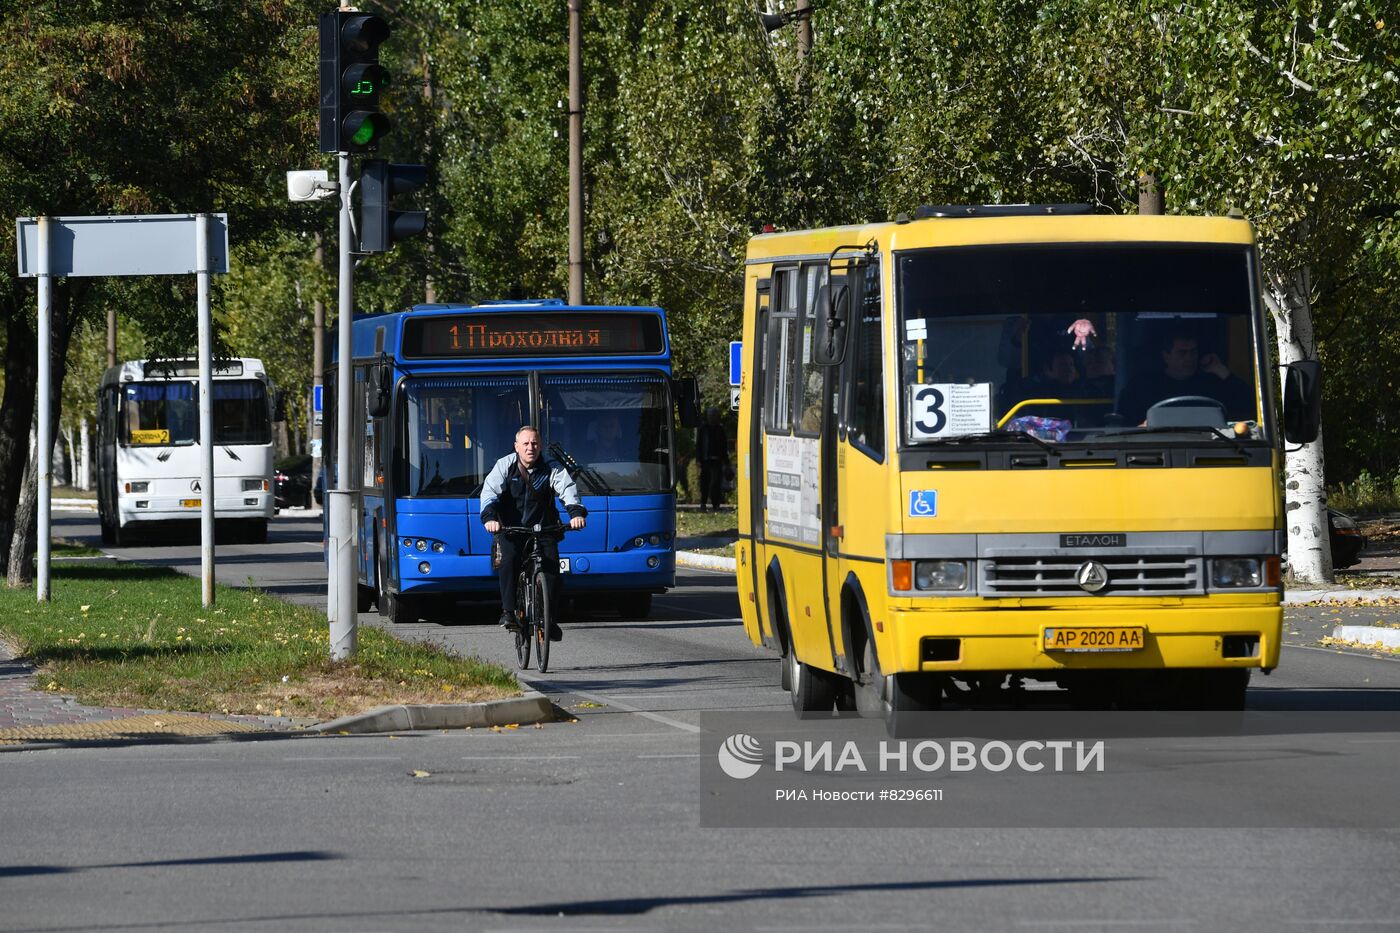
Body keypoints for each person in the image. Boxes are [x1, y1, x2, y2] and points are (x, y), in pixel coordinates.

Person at [480, 426, 587, 641]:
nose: (531, 448)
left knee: (552, 572)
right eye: (526, 444)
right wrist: (490, 518)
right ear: (517, 446)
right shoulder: (505, 465)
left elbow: (567, 489)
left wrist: (575, 513)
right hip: (511, 529)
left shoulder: (551, 467)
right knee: (508, 560)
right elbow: (490, 492)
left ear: (540, 446)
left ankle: (548, 620)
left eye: (535, 443)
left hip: (543, 529)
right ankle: (509, 612)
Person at [1117, 332, 1252, 425]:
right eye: (1182, 352)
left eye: (1193, 351)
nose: (1189, 358)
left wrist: (1221, 370)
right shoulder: (1142, 386)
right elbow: (1124, 424)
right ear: (1166, 356)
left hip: (1208, 447)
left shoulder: (1210, 382)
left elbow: (1249, 404)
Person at [695, 407, 728, 512]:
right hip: (705, 460)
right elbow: (699, 445)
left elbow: (724, 446)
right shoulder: (703, 429)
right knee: (705, 483)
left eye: (714, 415)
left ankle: (715, 505)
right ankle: (703, 503)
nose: (712, 418)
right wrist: (698, 459)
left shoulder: (720, 429)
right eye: (710, 416)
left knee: (716, 484)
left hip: (717, 460)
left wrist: (726, 461)